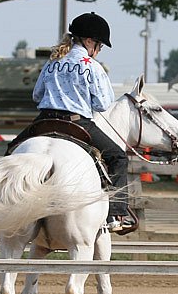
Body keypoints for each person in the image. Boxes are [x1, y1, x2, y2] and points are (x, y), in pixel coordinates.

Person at [28, 12, 134, 234]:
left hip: (44, 121)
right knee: (118, 157)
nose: (99, 50)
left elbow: (37, 95)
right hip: (77, 123)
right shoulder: (92, 66)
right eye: (99, 45)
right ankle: (115, 214)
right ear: (89, 42)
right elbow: (104, 103)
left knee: (12, 150)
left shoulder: (52, 63)